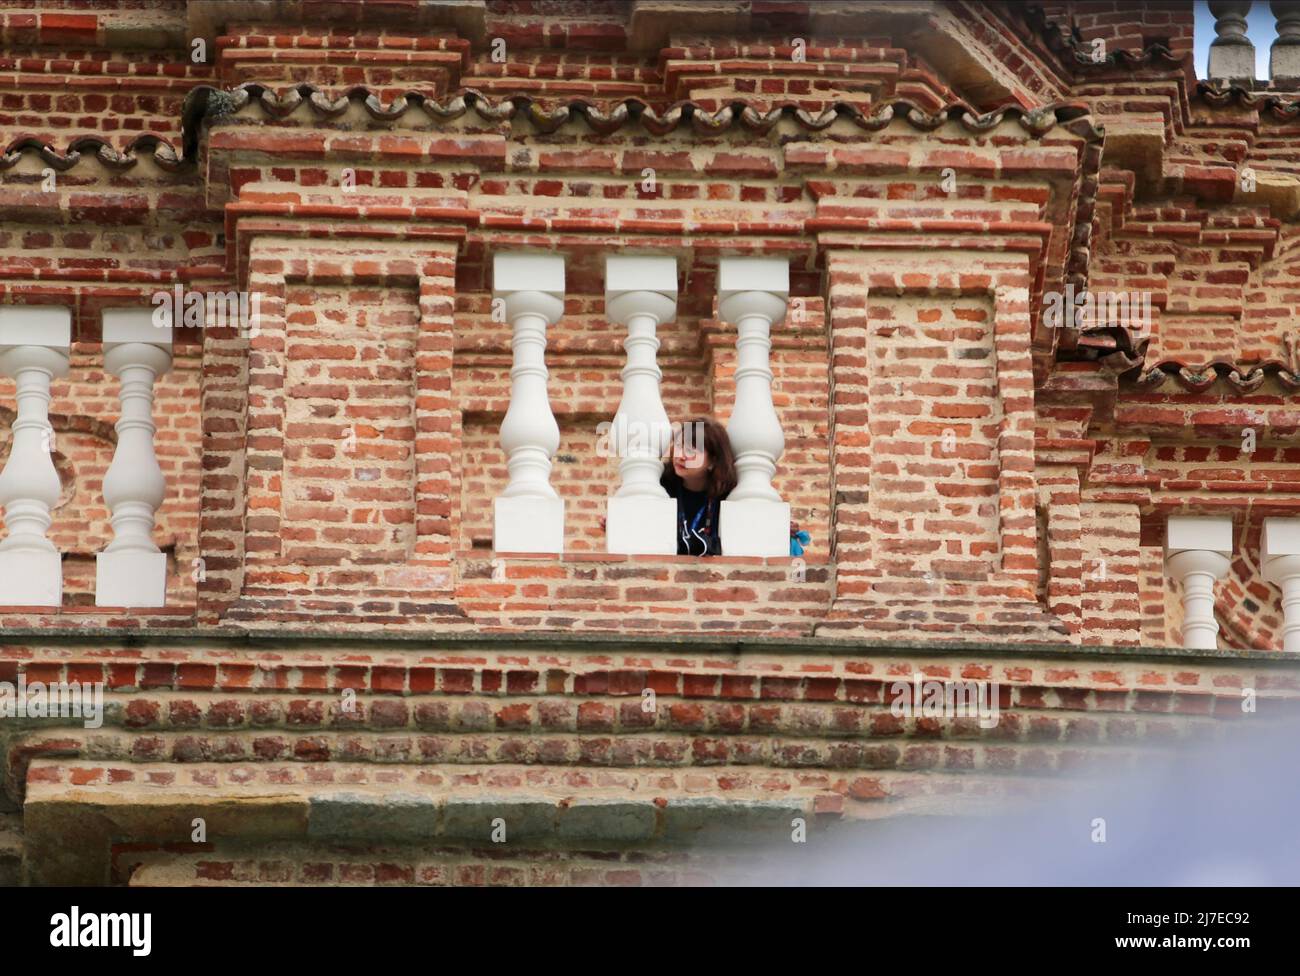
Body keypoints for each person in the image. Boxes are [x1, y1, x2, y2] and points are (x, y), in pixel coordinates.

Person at [660, 417, 736, 556]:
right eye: (679, 446)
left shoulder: (730, 495)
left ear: (713, 460)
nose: (680, 456)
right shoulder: (661, 485)